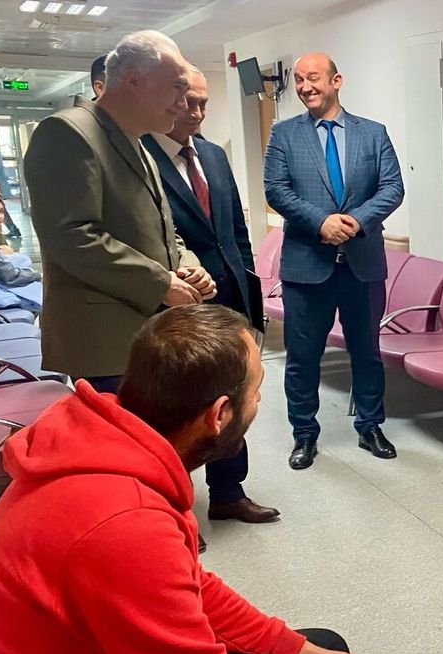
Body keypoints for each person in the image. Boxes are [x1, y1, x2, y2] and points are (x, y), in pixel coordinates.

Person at [0, 305, 377, 654]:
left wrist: (296, 652)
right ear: (219, 414)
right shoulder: (124, 521)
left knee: (321, 650)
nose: (258, 401)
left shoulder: (104, 449)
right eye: (256, 390)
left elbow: (189, 586)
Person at [22, 29, 216, 393]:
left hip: (146, 332)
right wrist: (160, 283)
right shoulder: (67, 133)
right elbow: (71, 237)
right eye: (177, 87)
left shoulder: (138, 143)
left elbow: (162, 227)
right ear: (134, 80)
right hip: (105, 343)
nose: (183, 102)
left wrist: (188, 267)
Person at [143, 67, 280, 539]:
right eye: (189, 102)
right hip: (176, 303)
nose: (197, 112)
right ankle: (173, 510)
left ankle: (228, 493)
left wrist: (248, 288)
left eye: (204, 103)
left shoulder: (214, 155)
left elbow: (235, 231)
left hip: (230, 299)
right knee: (178, 410)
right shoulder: (141, 158)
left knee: (234, 397)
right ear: (167, 99)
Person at [264, 53, 404, 470]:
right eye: (298, 80)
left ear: (336, 80)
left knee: (367, 352)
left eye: (313, 78)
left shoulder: (373, 133)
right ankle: (304, 434)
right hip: (306, 265)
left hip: (362, 263)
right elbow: (276, 189)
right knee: (303, 357)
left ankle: (370, 426)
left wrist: (356, 222)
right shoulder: (284, 134)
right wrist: (320, 222)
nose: (305, 87)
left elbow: (392, 187)